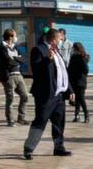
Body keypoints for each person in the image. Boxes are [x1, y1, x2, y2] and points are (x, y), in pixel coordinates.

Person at [23, 28, 74, 160]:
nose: (61, 41)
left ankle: (59, 147)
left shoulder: (57, 51)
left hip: (59, 95)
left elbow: (63, 72)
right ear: (53, 39)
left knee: (59, 122)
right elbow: (35, 70)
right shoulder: (38, 50)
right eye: (59, 39)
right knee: (40, 120)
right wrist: (47, 60)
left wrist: (70, 90)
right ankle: (29, 148)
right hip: (45, 95)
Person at [0, 29, 28, 126]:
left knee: (25, 96)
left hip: (18, 75)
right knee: (10, 99)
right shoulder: (1, 48)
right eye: (15, 35)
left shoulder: (16, 47)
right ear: (10, 37)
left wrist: (15, 59)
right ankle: (10, 120)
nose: (16, 37)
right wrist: (16, 59)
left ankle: (21, 118)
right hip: (9, 76)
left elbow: (24, 58)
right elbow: (7, 61)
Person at [67, 42, 90, 123]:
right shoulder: (73, 57)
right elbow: (69, 69)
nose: (72, 49)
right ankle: (77, 116)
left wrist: (80, 74)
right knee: (77, 100)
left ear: (78, 49)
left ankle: (86, 115)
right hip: (73, 81)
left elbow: (86, 70)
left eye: (74, 48)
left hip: (80, 82)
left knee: (81, 98)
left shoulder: (81, 58)